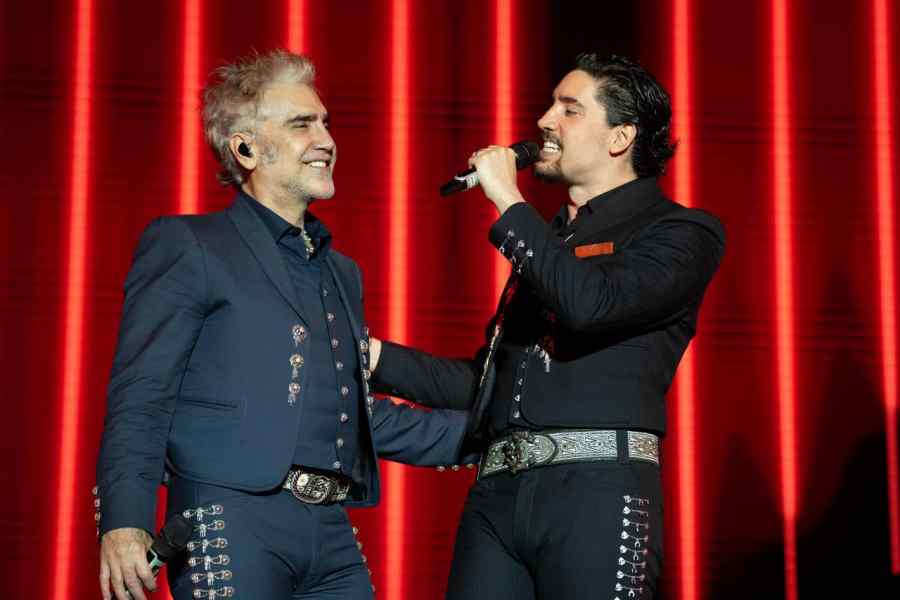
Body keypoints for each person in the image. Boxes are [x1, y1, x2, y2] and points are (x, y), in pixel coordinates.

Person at [95, 50, 471, 600]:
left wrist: (501, 429)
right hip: (230, 519)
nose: (326, 139)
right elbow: (142, 394)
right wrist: (124, 520)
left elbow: (353, 413)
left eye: (325, 122)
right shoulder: (191, 245)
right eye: (302, 124)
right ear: (245, 148)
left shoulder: (342, 273)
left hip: (331, 531)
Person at [369, 54, 726, 599]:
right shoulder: (549, 243)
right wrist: (369, 358)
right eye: (550, 105)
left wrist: (507, 199)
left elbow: (591, 304)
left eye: (569, 109)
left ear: (621, 137)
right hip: (497, 494)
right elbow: (487, 384)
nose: (544, 120)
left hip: (595, 491)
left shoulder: (680, 232)